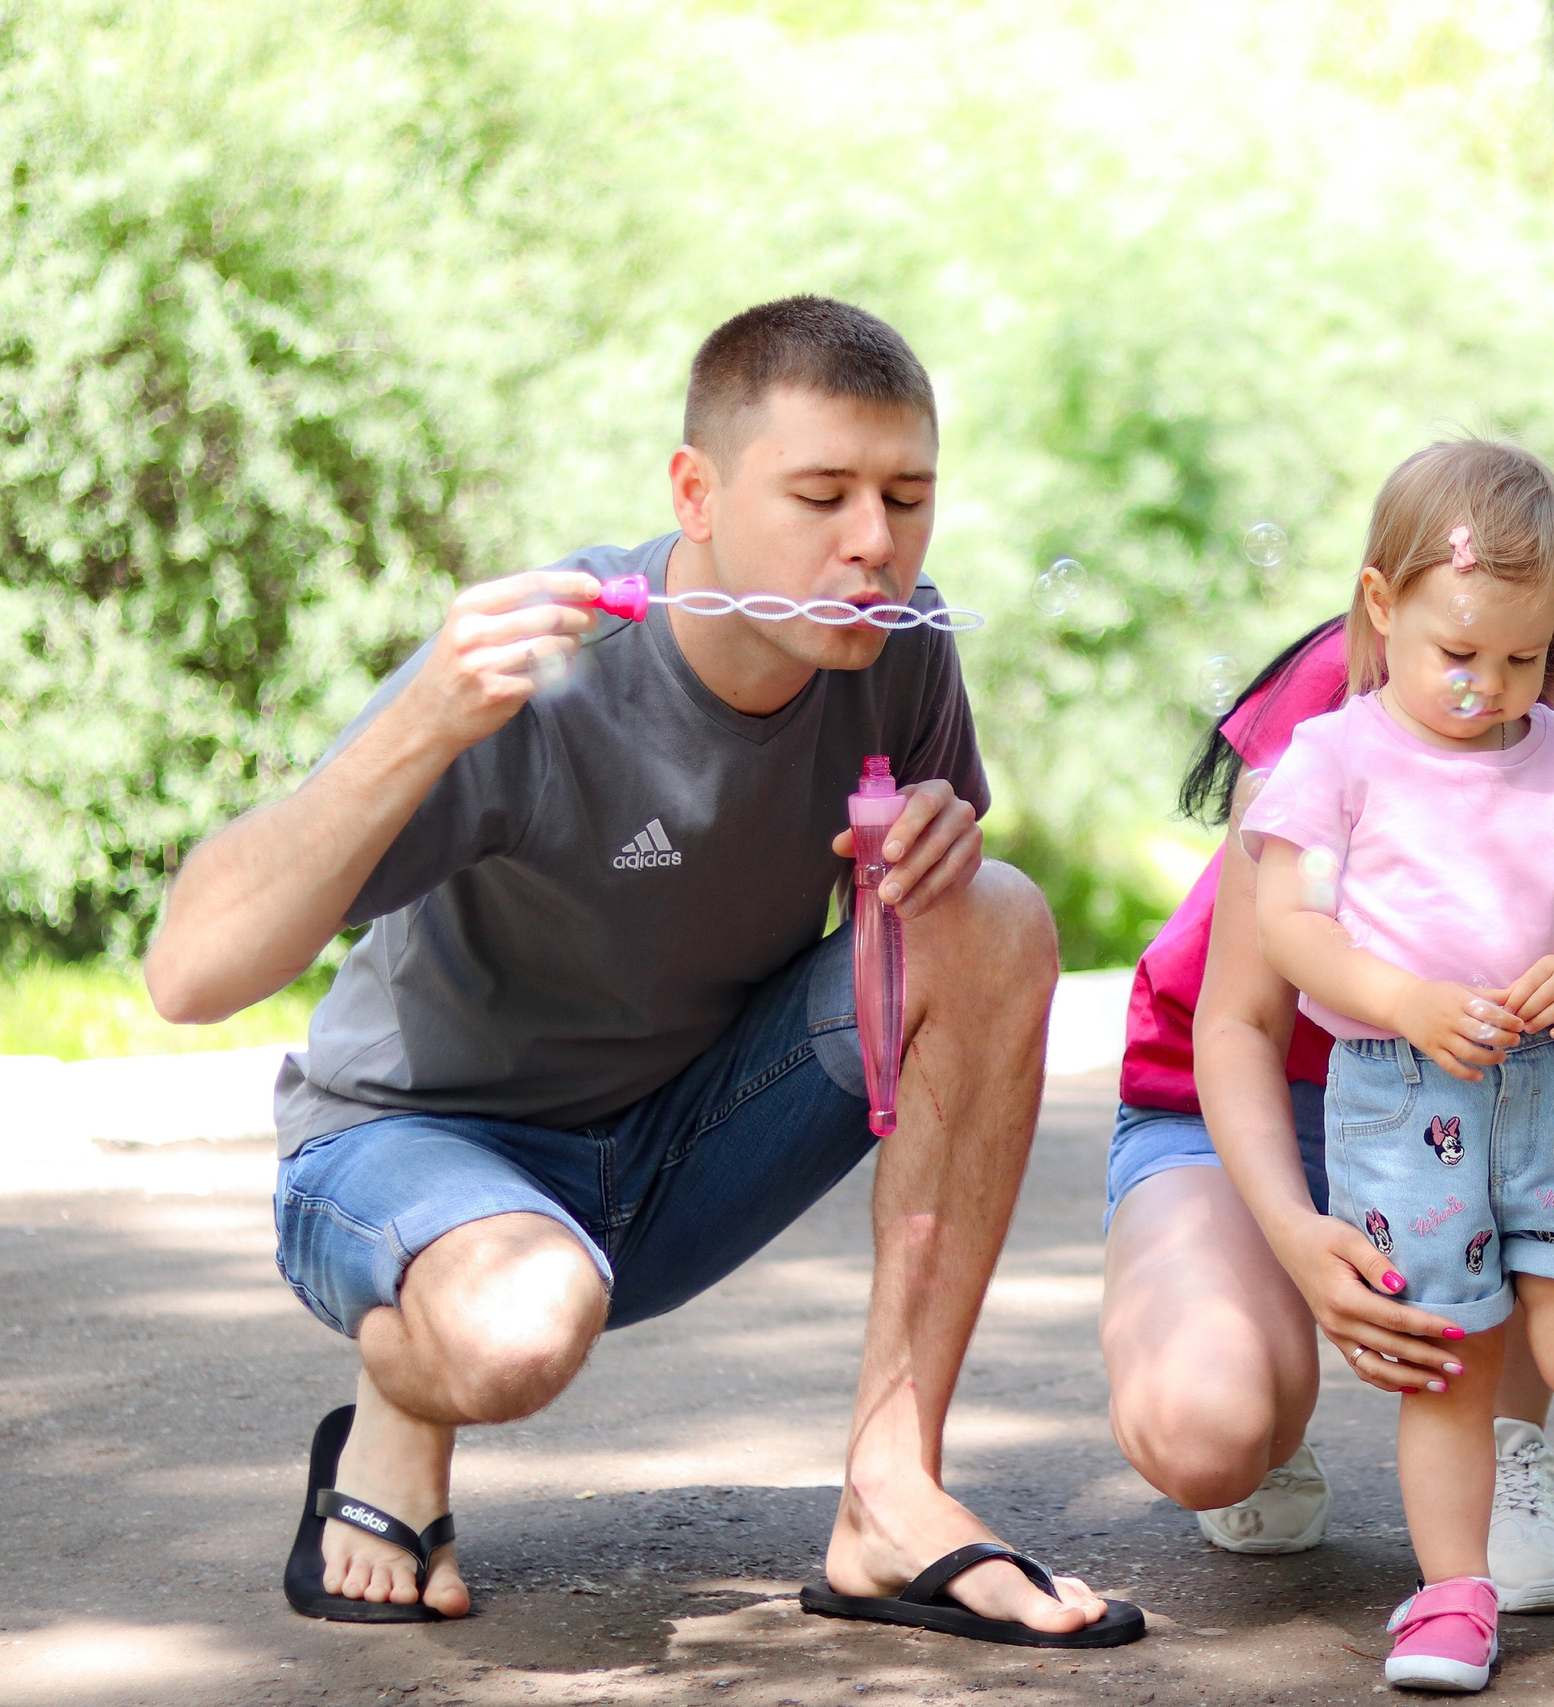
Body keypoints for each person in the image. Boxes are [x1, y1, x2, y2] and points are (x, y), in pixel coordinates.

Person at [143, 295, 1141, 1649]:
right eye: (824, 493)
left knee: (995, 909)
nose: (875, 542)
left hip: (679, 1153)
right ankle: (402, 1397)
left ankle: (890, 1491)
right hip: (414, 1151)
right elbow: (188, 969)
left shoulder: (897, 644)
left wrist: (938, 838)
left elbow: (941, 962)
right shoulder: (545, 672)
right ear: (698, 491)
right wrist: (424, 720)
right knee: (516, 1328)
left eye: (908, 496)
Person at [1097, 413, 1554, 1638]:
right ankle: (1272, 1389)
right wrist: (1293, 1236)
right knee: (1210, 1430)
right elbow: (1234, 1021)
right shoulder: (1360, 691)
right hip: (1242, 1107)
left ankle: (1504, 1449)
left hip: (1493, 1134)